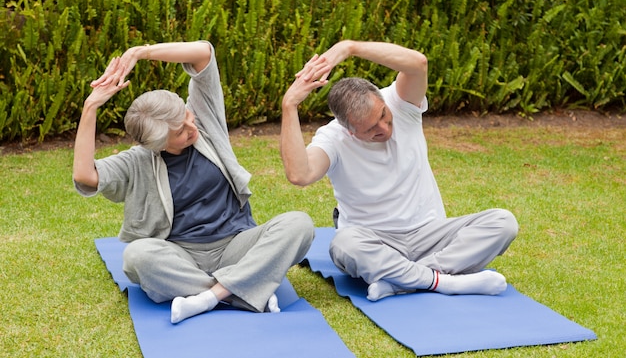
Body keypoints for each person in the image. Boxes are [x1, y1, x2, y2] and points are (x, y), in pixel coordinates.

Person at [73, 40, 314, 323]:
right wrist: (90, 107)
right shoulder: (137, 162)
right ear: (159, 145)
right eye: (180, 131)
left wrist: (139, 52)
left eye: (187, 117)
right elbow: (84, 175)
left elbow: (204, 53)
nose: (192, 127)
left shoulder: (204, 119)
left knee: (299, 224)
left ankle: (209, 297)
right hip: (181, 255)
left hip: (236, 244)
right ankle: (243, 289)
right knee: (137, 257)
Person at [280, 40, 518, 301]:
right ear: (348, 129)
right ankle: (440, 280)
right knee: (344, 246)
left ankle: (403, 280)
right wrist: (289, 106)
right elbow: (299, 174)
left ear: (382, 100)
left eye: (383, 115)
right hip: (376, 242)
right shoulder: (333, 139)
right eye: (370, 129)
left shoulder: (401, 104)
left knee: (503, 223)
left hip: (429, 235)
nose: (383, 128)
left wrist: (349, 48)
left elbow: (418, 63)